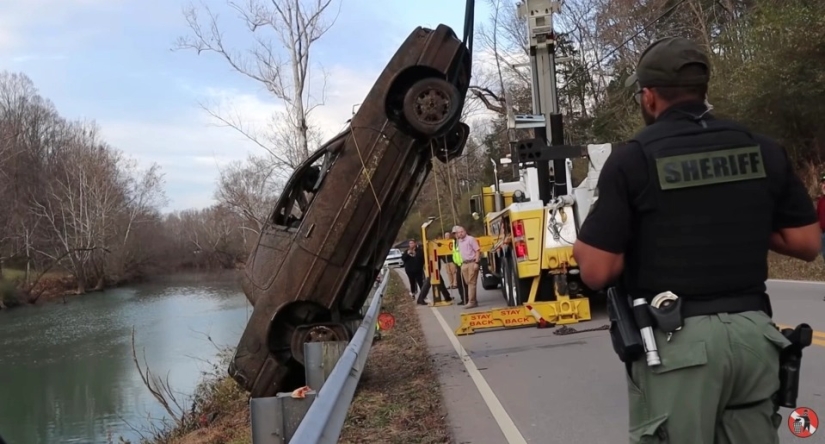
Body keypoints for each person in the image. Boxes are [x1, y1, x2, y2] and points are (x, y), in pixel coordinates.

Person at [571, 37, 821, 444]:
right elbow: (807, 242)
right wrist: (736, 220)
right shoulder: (761, 149)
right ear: (703, 90)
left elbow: (597, 270)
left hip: (677, 343)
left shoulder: (634, 158)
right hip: (755, 337)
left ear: (649, 96)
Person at [455, 225, 481, 308]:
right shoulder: (458, 241)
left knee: (471, 282)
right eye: (459, 232)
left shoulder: (471, 239)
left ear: (465, 232)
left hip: (472, 262)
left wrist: (476, 262)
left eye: (462, 231)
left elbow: (477, 250)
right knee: (467, 282)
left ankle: (471, 302)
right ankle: (474, 300)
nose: (460, 233)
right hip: (464, 264)